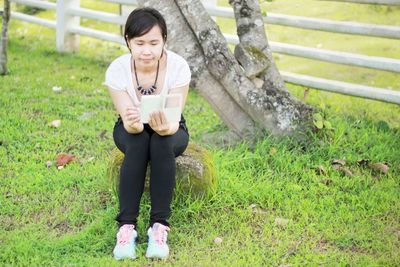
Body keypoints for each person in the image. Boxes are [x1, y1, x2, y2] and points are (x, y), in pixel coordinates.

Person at [104, 7, 191, 260]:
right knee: (139, 142)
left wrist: (166, 128)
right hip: (130, 125)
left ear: (164, 40)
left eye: (154, 42)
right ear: (128, 41)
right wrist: (133, 124)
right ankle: (126, 228)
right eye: (139, 42)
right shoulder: (118, 69)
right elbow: (129, 125)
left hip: (170, 124)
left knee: (162, 143)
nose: (146, 50)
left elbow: (174, 123)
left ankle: (159, 227)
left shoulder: (178, 66)